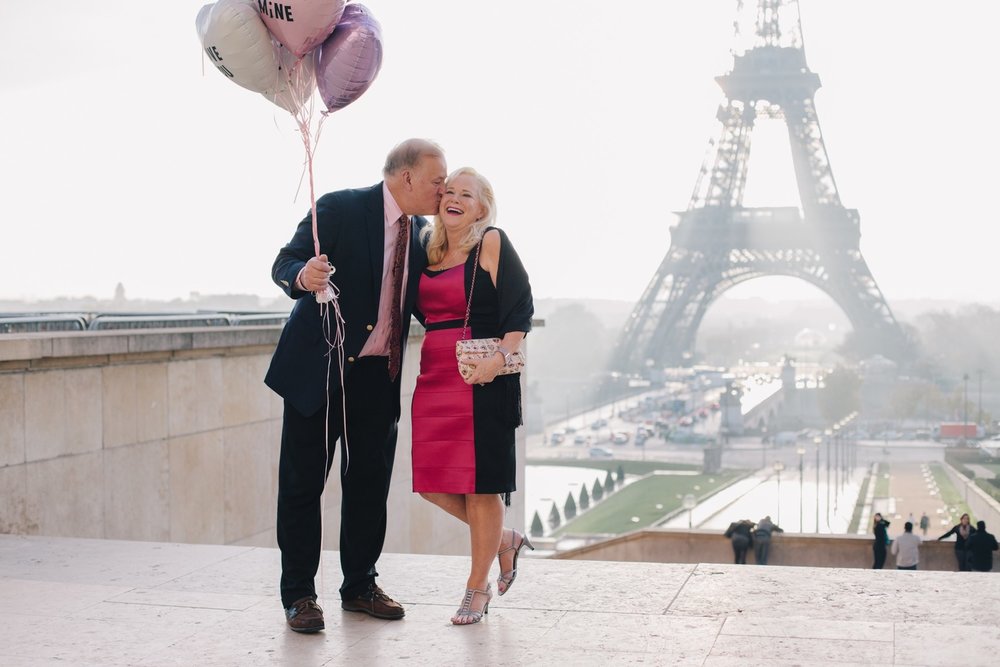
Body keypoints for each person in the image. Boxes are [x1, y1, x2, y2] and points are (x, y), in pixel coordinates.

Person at [264, 139, 448, 633]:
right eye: (437, 180)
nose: (443, 188)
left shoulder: (425, 234)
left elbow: (432, 304)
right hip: (318, 371)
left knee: (369, 486)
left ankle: (360, 586)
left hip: (376, 379)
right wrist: (304, 275)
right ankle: (300, 596)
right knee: (302, 487)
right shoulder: (341, 208)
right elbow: (285, 261)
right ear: (406, 178)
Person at [410, 167, 534, 625]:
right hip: (435, 374)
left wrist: (497, 362)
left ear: (482, 207)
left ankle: (476, 587)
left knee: (481, 487)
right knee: (431, 484)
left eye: (468, 193)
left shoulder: (492, 242)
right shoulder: (429, 251)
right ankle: (505, 539)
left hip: (480, 376)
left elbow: (520, 308)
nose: (455, 198)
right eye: (450, 192)